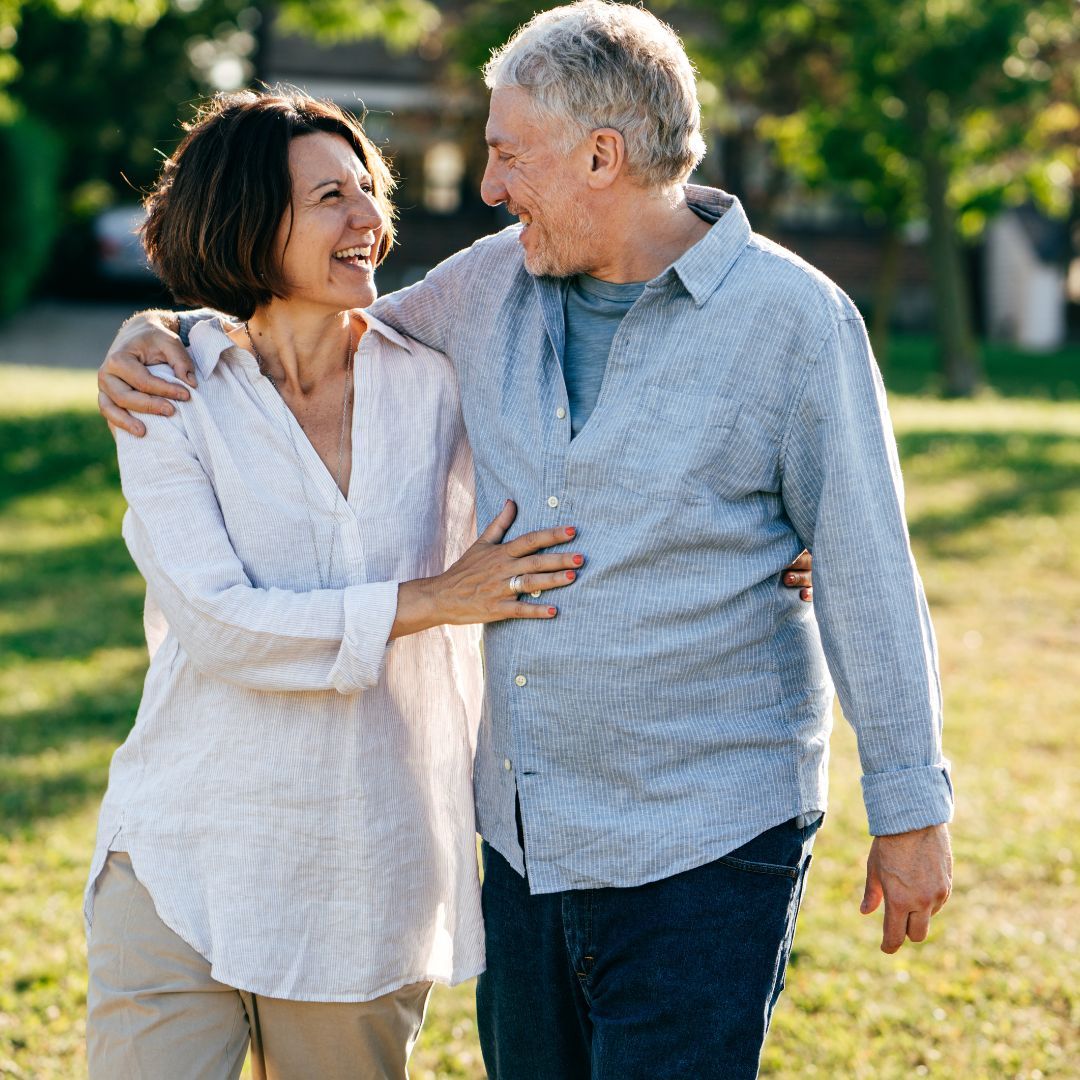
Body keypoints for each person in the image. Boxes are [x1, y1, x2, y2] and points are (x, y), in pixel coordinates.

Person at [97, 4, 949, 1077]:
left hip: (709, 840)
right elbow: (318, 315)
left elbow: (870, 567)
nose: (489, 188)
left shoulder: (796, 322)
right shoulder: (488, 285)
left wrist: (913, 809)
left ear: (602, 155)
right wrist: (168, 326)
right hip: (528, 840)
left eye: (507, 155)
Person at [82, 89, 591, 1080]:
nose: (370, 220)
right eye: (330, 197)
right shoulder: (168, 390)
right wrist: (437, 599)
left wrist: (761, 540)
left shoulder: (436, 382)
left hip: (361, 873)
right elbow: (225, 626)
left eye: (369, 190)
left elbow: (582, 491)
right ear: (243, 221)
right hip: (182, 859)